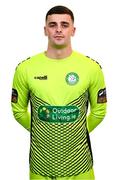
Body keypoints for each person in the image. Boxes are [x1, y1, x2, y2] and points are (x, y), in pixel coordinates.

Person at [11, 5, 107, 180]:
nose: (58, 29)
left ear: (73, 30)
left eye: (64, 24)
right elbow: (18, 111)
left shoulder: (92, 68)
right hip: (41, 167)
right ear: (45, 30)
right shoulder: (25, 68)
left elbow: (99, 111)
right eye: (53, 25)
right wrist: (44, 131)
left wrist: (73, 132)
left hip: (80, 167)